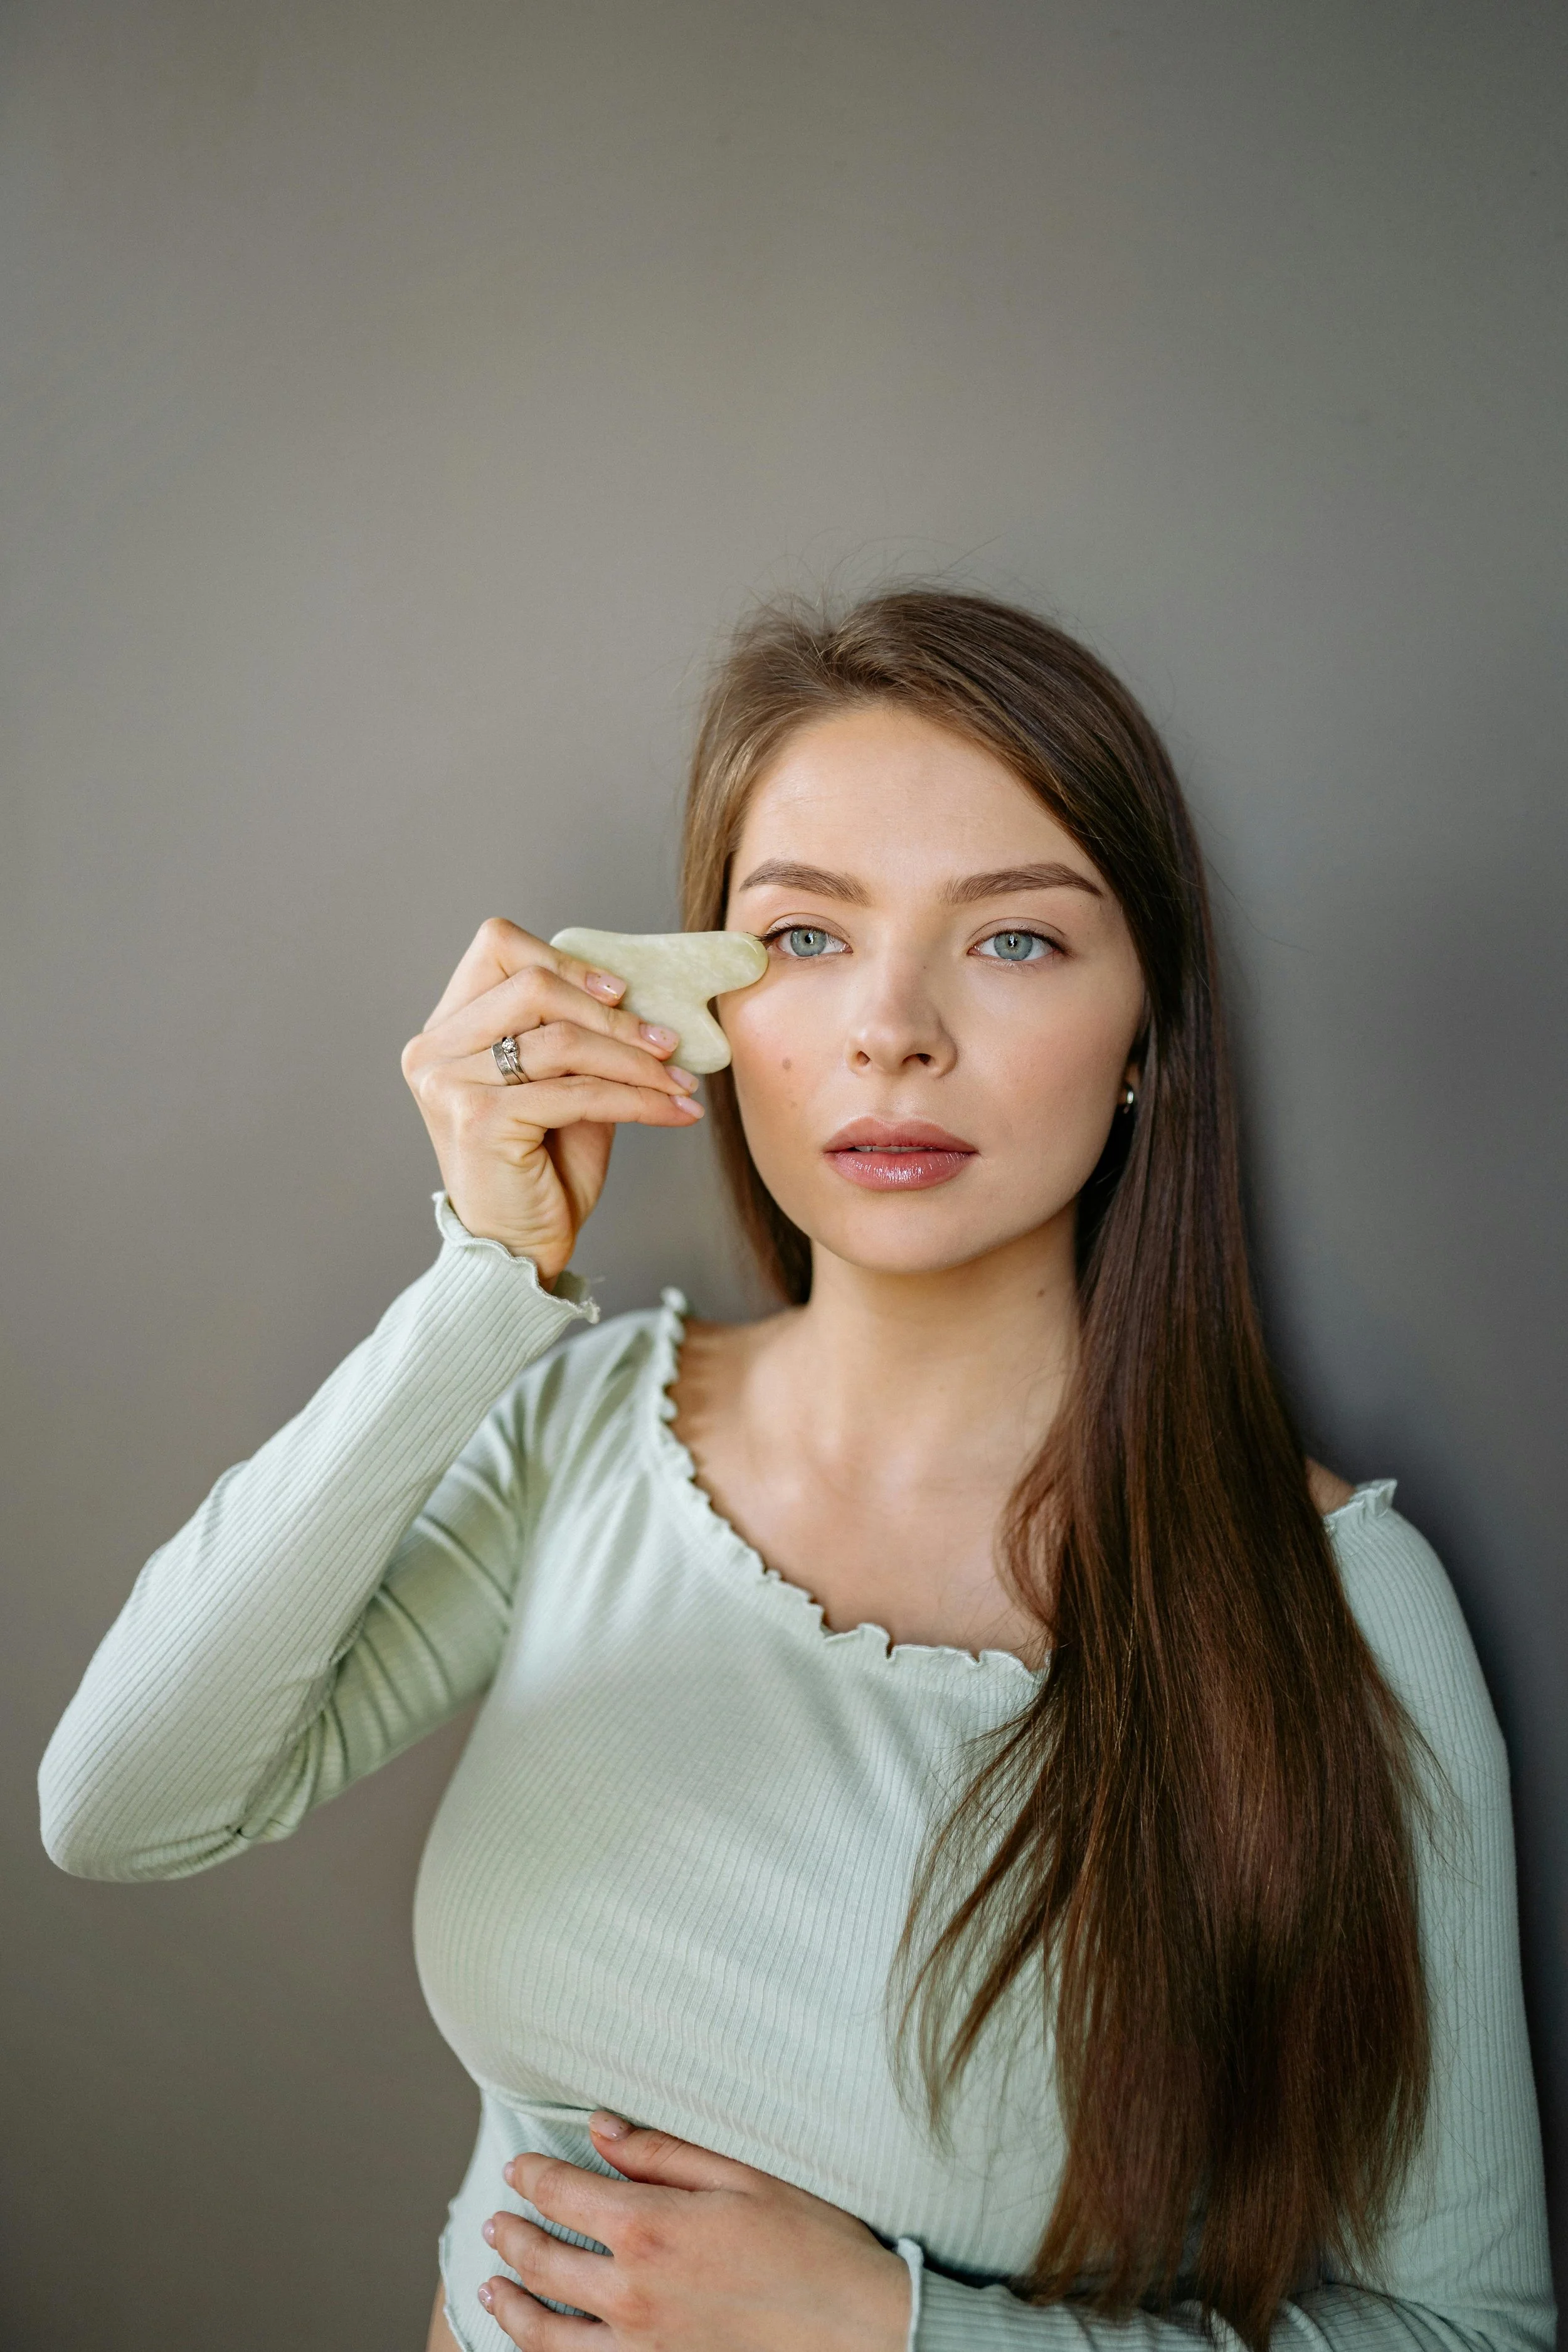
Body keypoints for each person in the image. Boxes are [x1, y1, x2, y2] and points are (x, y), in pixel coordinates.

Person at [39, 589, 1552, 2352]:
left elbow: (1470, 2330)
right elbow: (122, 1800)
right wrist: (485, 1275)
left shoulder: (1339, 1614)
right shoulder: (582, 1430)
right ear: (698, 1006)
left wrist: (896, 2332)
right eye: (805, 939)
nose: (889, 1027)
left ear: (1148, 1028)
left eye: (1014, 942)